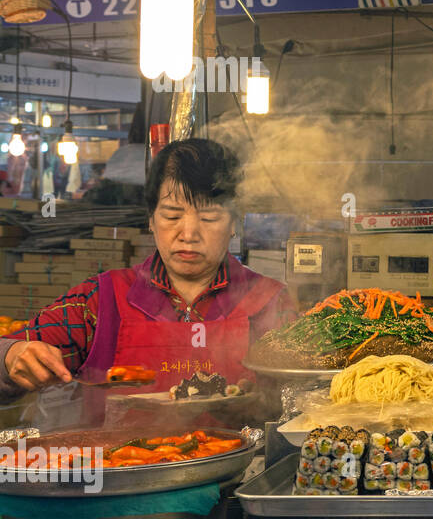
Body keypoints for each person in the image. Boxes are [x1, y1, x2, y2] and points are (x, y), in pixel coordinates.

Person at [0, 138, 296, 416]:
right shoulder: (99, 300)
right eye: (171, 216)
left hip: (241, 469)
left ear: (234, 223)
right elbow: (11, 353)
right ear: (151, 220)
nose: (189, 234)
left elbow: (307, 397)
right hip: (120, 467)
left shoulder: (270, 302)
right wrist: (12, 355)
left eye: (209, 218)